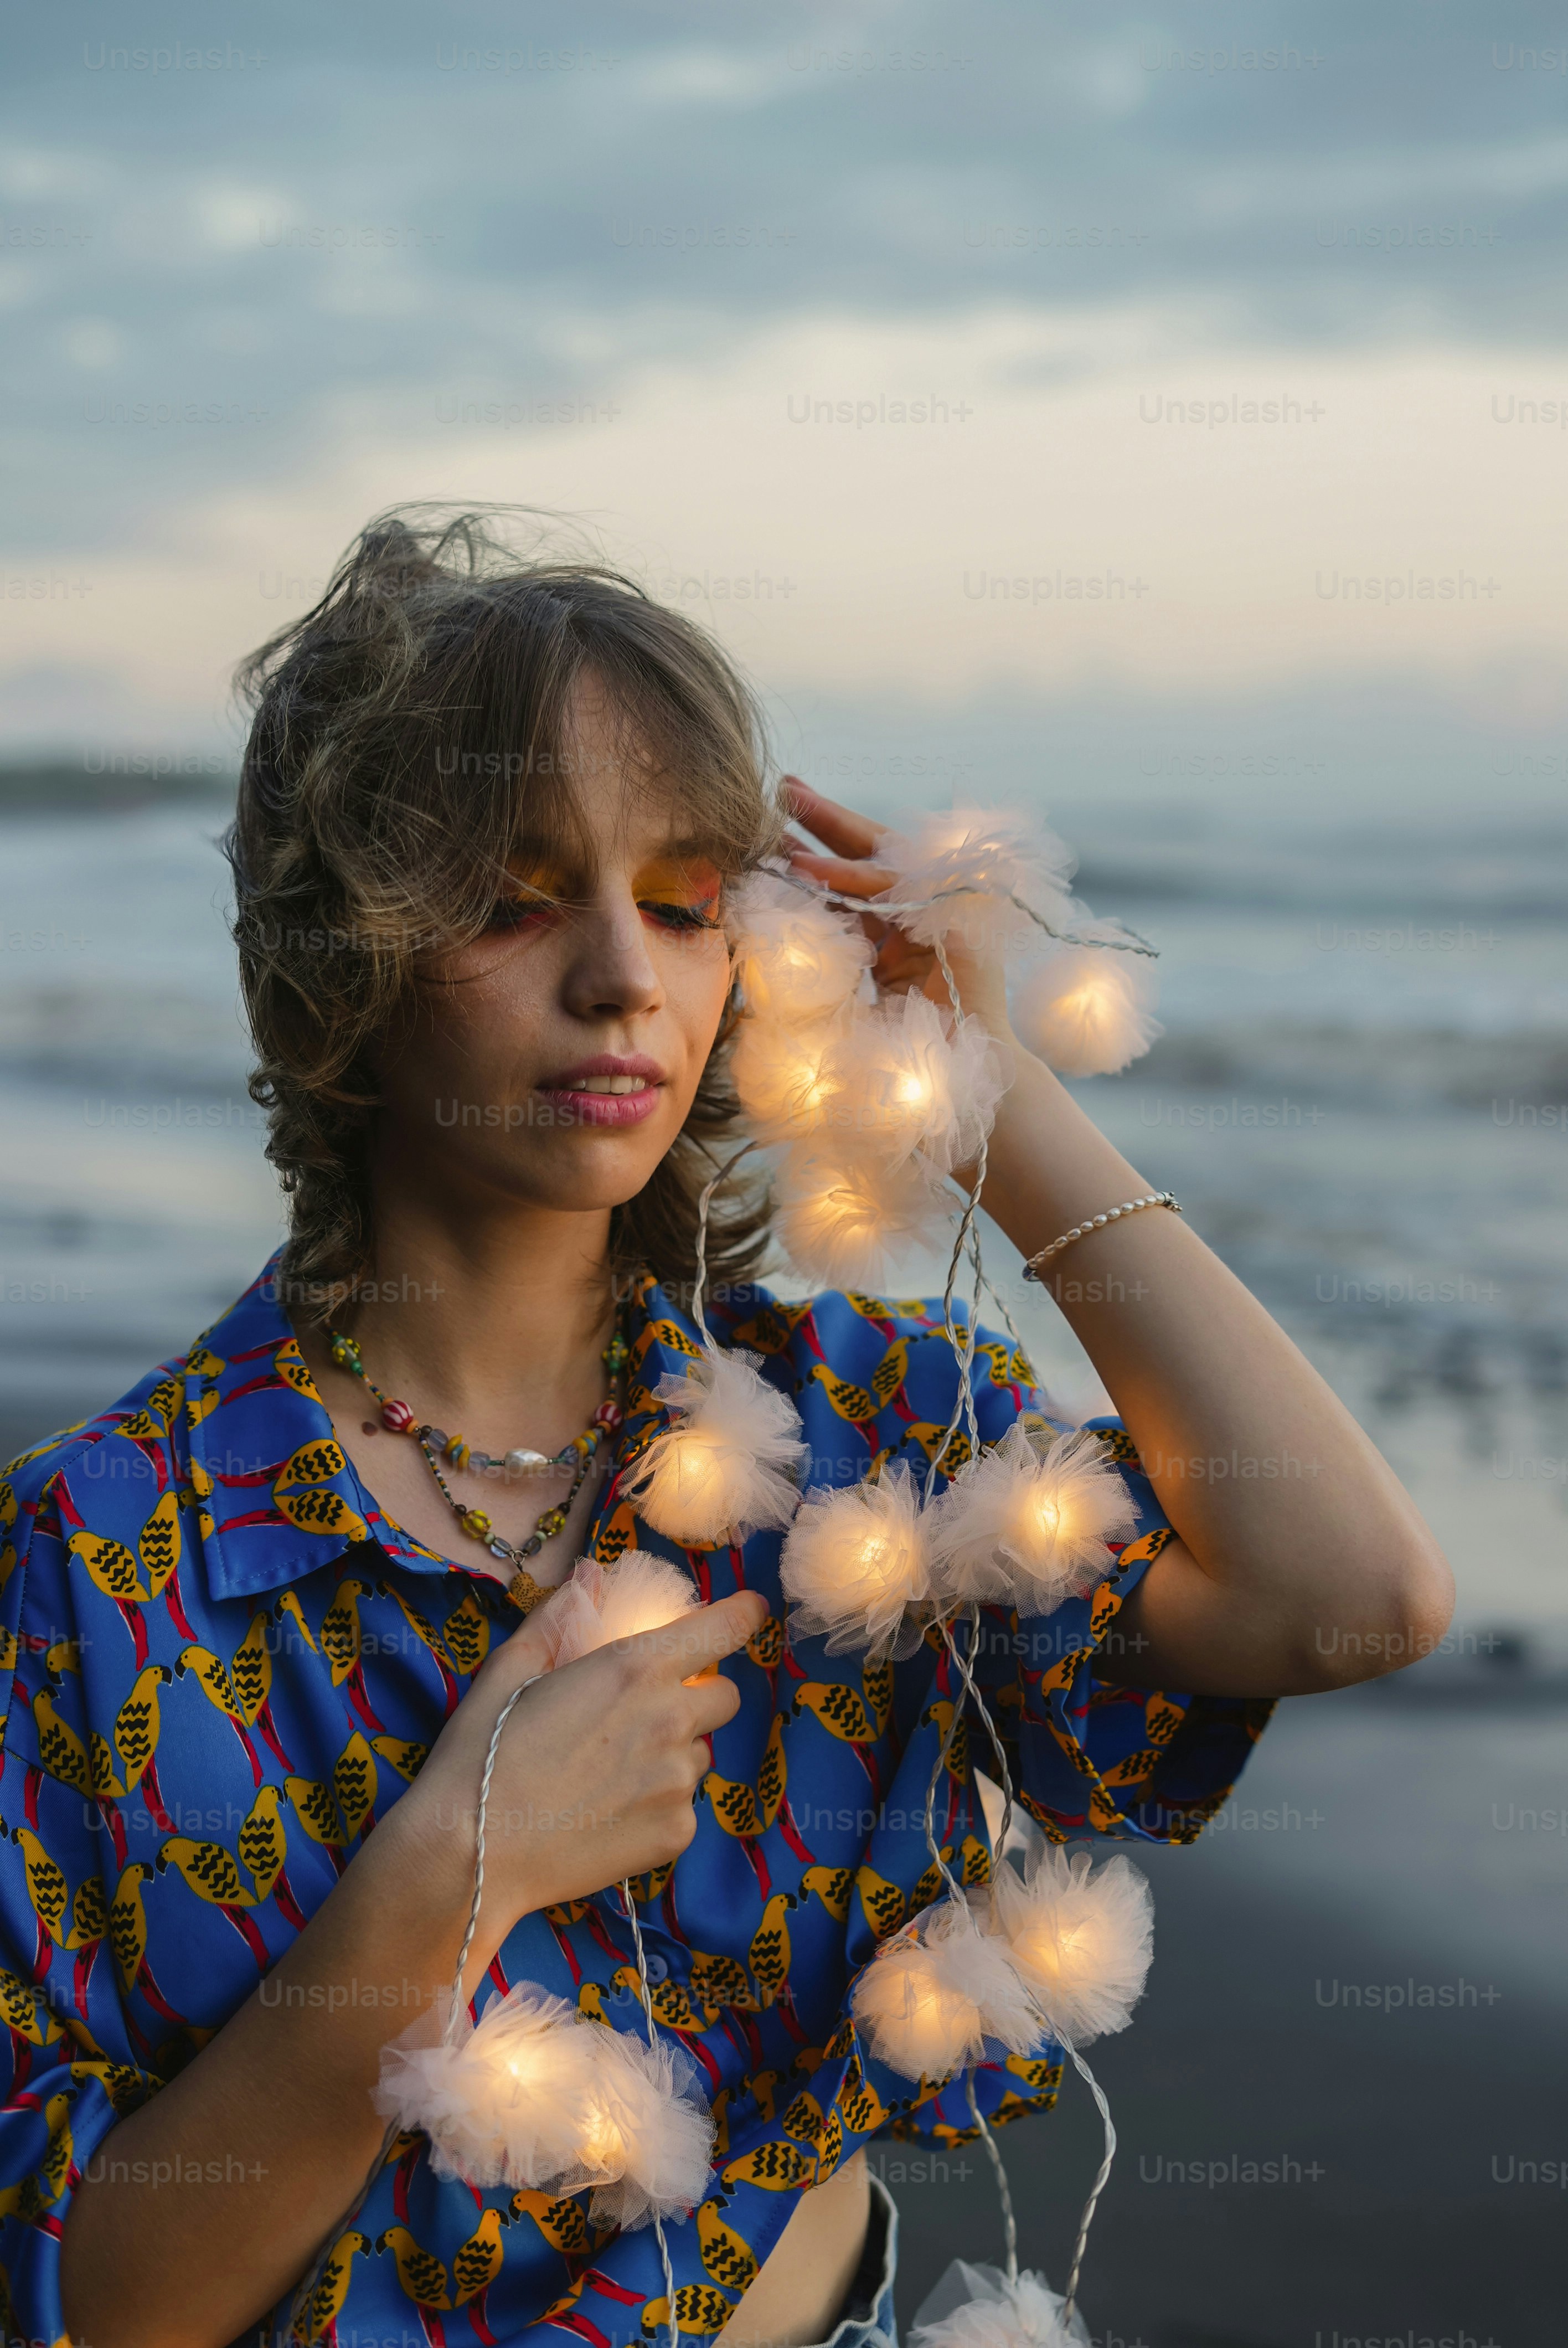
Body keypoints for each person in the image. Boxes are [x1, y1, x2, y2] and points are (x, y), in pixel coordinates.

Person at [0, 512, 1453, 2348]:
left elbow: (1353, 1594)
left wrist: (989, 1099)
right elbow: (95, 2311)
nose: (621, 975)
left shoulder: (861, 1449)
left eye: (686, 901)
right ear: (339, 957)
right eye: (514, 897)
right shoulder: (100, 1564)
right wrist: (450, 1881)